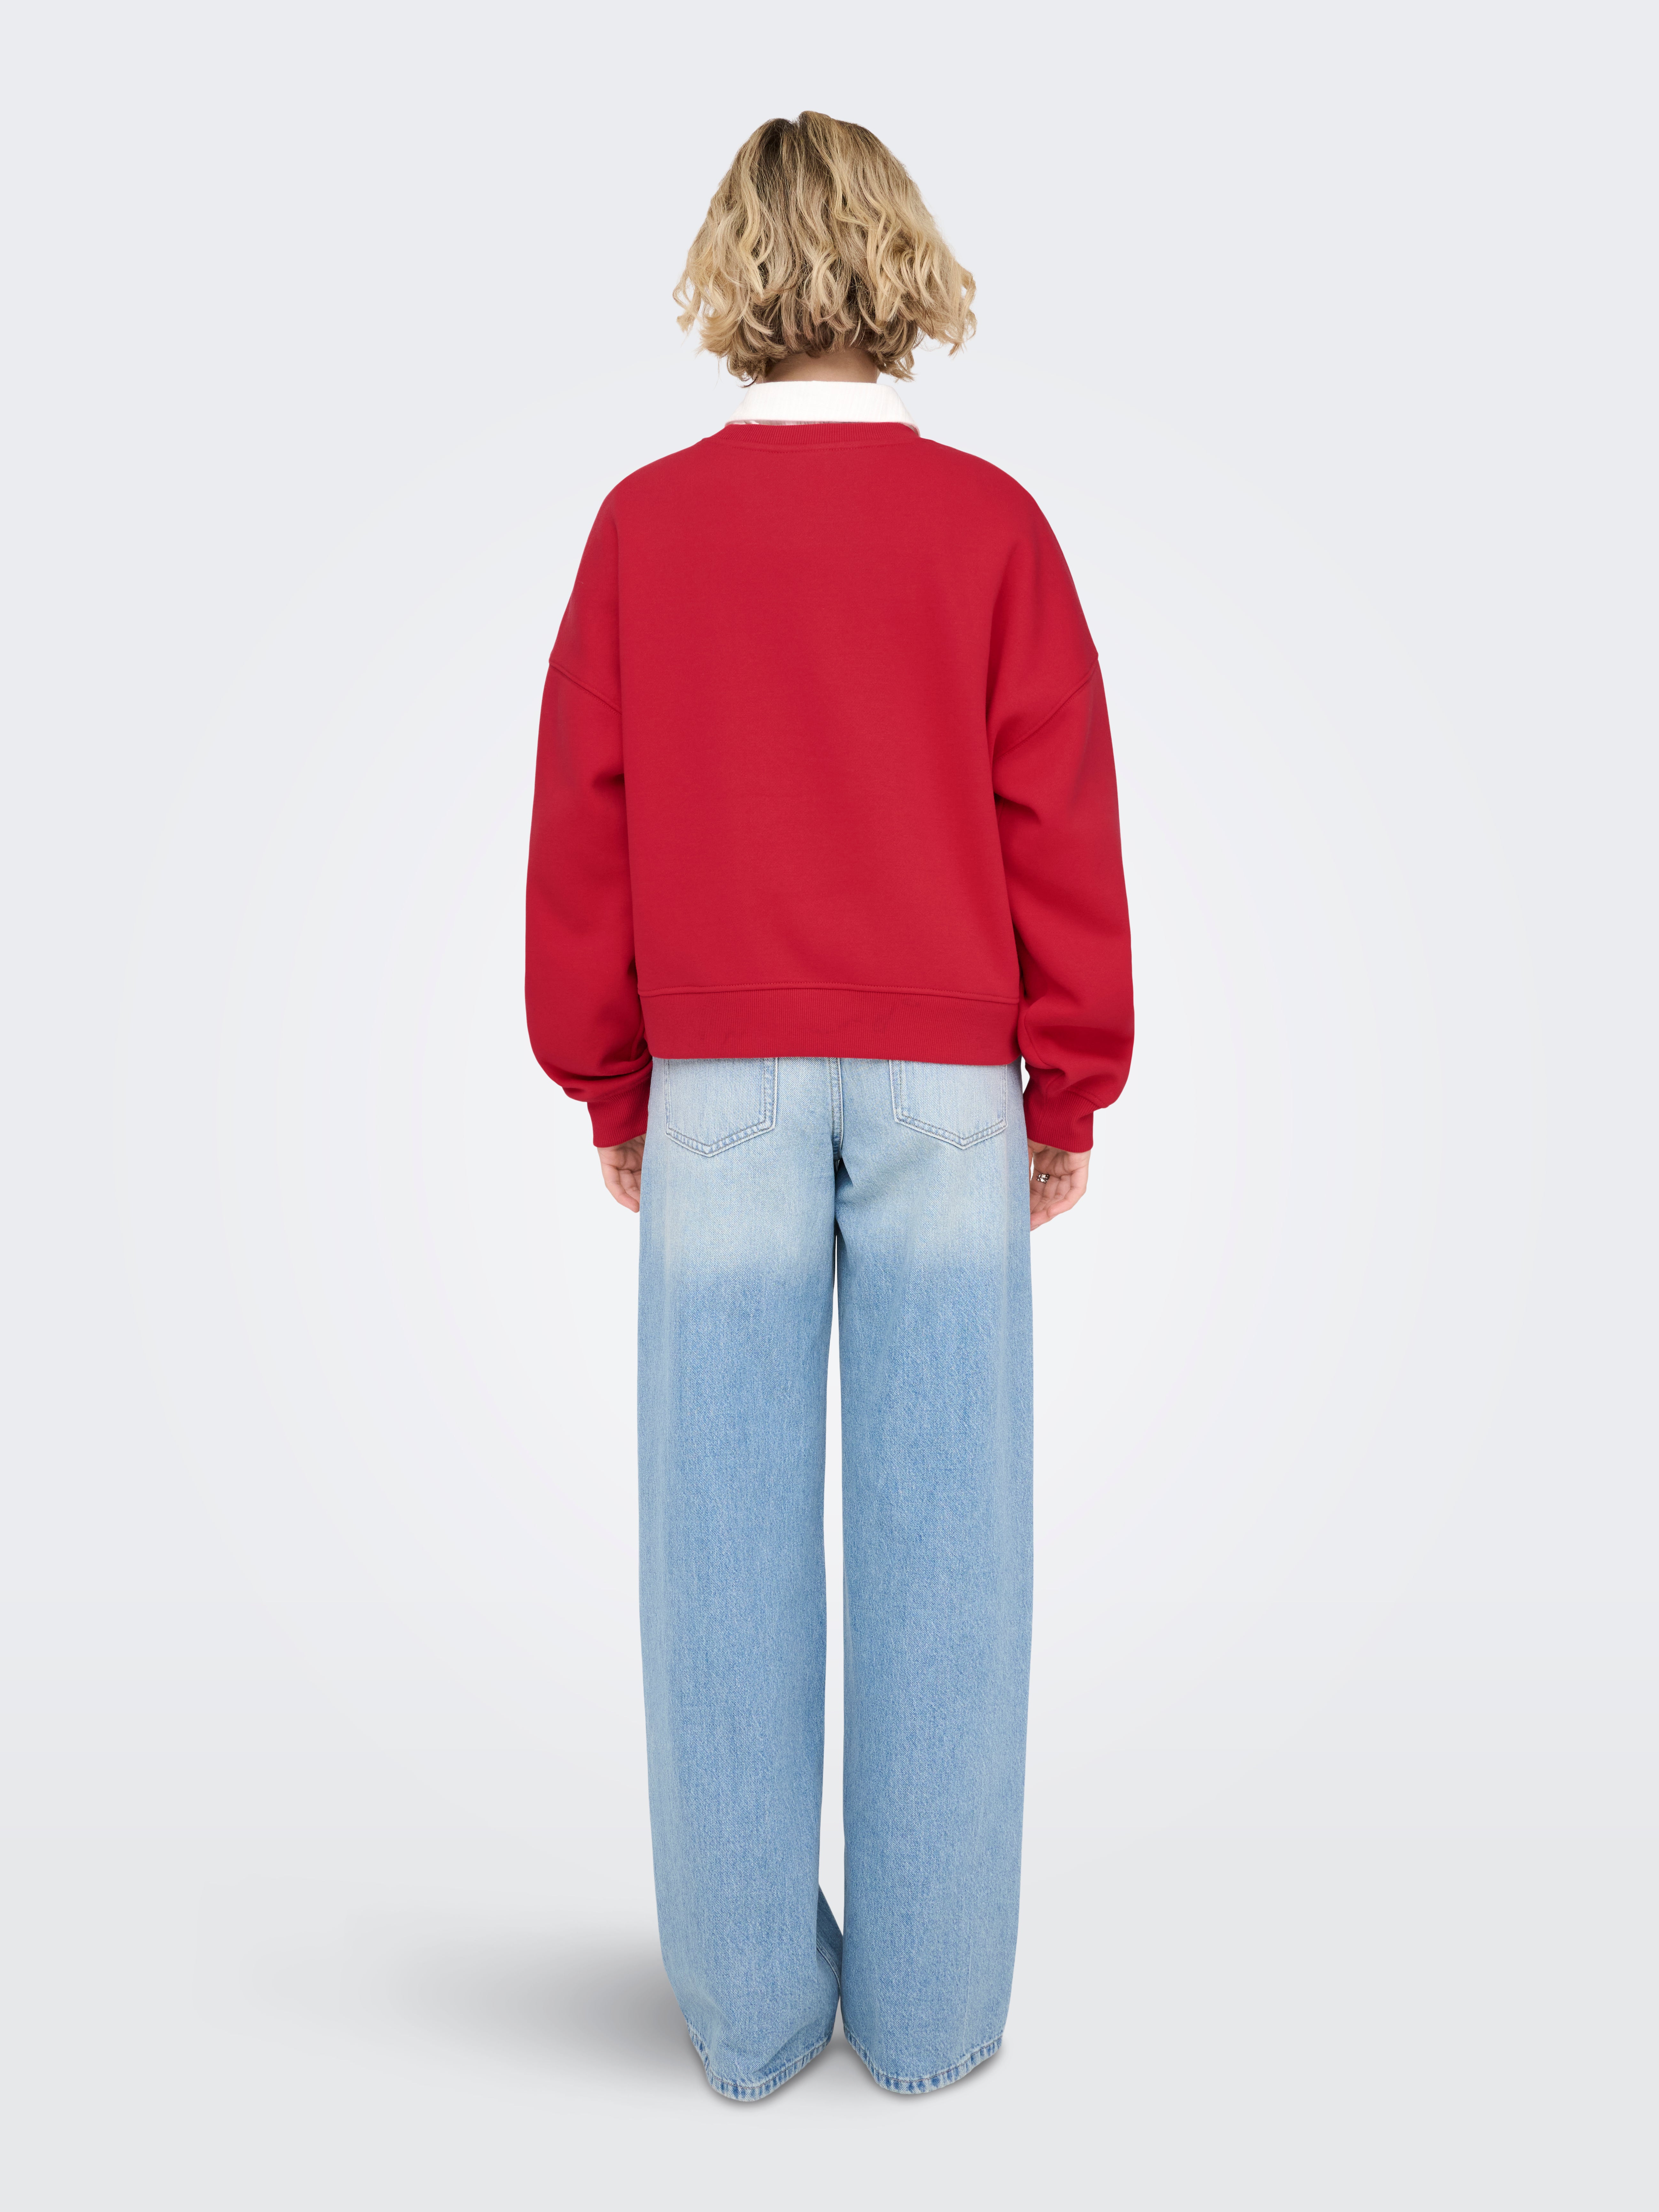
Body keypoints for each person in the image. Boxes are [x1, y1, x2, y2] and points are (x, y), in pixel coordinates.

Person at [525, 111, 1133, 2100]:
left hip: (718, 1071)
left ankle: (750, 2017)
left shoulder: (645, 529)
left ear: (733, 275)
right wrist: (1071, 1074)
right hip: (951, 1075)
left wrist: (609, 1073)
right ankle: (934, 2016)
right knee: (951, 1545)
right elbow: (1055, 811)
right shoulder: (990, 528)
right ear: (904, 269)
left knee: (717, 1547)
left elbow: (586, 824)